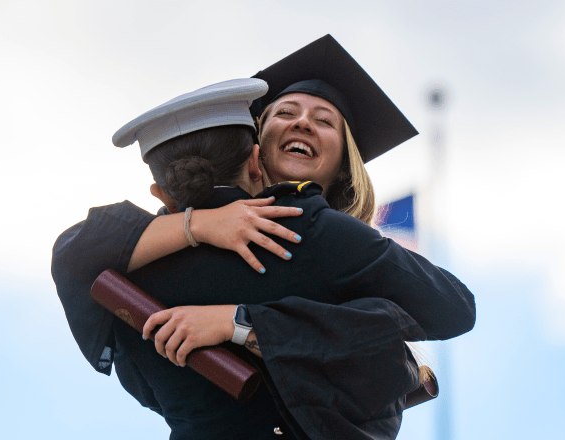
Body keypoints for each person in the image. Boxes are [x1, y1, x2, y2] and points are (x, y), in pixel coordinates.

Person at [52, 36, 475, 439]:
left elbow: (76, 252)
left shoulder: (133, 260)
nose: (304, 122)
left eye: (324, 120)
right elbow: (451, 309)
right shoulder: (301, 226)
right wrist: (198, 226)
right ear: (256, 151)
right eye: (286, 113)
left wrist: (236, 322)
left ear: (346, 165)